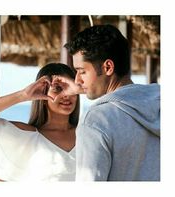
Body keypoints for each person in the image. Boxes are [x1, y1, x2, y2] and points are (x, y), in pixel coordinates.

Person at [52, 24, 160, 181]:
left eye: (82, 71)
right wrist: (87, 86)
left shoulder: (96, 121)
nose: (77, 79)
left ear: (108, 67)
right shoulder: (159, 101)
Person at [0, 63, 80, 181]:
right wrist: (23, 95)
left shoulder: (87, 133)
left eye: (71, 89)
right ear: (42, 95)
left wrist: (81, 89)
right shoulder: (26, 136)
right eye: (58, 89)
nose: (66, 95)